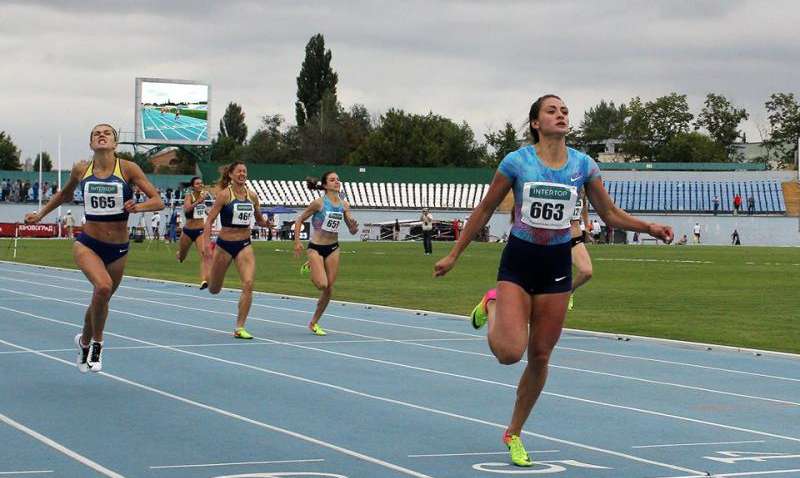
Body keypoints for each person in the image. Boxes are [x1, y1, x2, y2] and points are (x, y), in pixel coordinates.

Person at [433, 95, 672, 467]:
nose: (560, 115)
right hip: (519, 264)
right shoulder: (517, 162)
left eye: (564, 111)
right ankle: (492, 302)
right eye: (551, 111)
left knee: (540, 356)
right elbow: (485, 208)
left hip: (556, 268)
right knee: (509, 353)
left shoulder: (583, 165)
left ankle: (514, 432)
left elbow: (609, 213)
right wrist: (454, 254)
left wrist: (649, 227)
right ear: (535, 123)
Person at [24, 123, 163, 372]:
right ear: (91, 143)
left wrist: (137, 207)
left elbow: (158, 201)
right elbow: (64, 195)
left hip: (118, 248)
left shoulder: (128, 168)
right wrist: (40, 213)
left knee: (101, 299)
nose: (101, 135)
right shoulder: (81, 169)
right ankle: (98, 344)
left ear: (115, 143)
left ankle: (84, 341)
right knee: (103, 287)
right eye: (96, 133)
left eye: (107, 133)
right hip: (88, 243)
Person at [203, 161, 270, 339]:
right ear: (231, 175)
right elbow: (209, 221)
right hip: (224, 245)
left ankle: (240, 327)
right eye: (239, 171)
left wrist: (266, 224)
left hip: (244, 245)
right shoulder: (224, 195)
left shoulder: (252, 196)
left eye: (244, 171)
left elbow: (259, 219)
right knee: (214, 289)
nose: (242, 174)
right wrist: (206, 244)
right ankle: (209, 275)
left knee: (248, 283)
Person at [294, 172, 359, 336]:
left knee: (329, 288)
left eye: (338, 179)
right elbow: (299, 220)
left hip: (333, 248)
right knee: (322, 284)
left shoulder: (344, 205)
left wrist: (353, 227)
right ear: (325, 185)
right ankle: (312, 265)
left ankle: (314, 322)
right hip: (316, 247)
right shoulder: (319, 203)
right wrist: (297, 242)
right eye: (332, 180)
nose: (337, 181)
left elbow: (351, 230)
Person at [177, 176, 212, 289]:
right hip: (188, 231)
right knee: (182, 257)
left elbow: (202, 209)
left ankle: (204, 280)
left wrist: (208, 212)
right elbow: (187, 209)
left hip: (200, 230)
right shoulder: (189, 196)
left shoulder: (204, 195)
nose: (200, 185)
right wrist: (198, 201)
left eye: (201, 183)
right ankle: (179, 254)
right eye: (197, 183)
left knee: (203, 254)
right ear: (192, 186)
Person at [567, 189, 592, 311]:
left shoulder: (582, 189)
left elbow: (584, 205)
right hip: (555, 238)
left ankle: (569, 292)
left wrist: (587, 226)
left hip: (575, 237)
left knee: (586, 271)